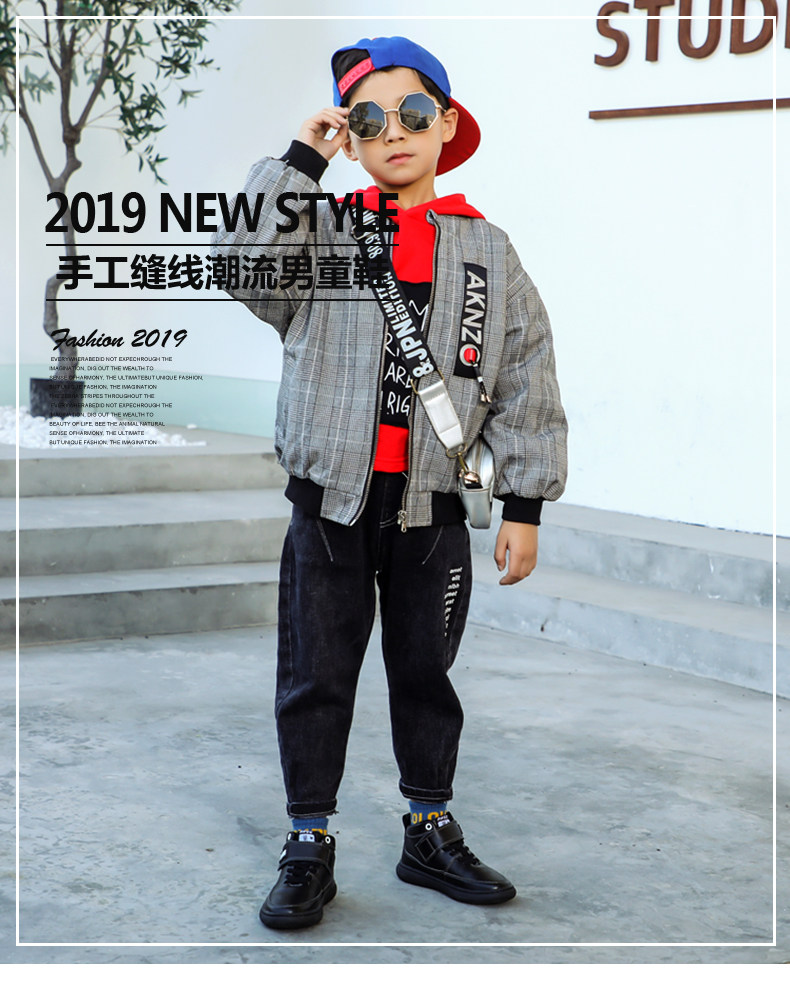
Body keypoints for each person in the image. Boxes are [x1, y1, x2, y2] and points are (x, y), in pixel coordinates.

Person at [210, 35, 568, 930]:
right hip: (330, 505)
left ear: (447, 123)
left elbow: (525, 373)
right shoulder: (320, 232)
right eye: (368, 121)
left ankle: (428, 830)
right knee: (315, 677)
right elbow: (242, 269)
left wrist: (523, 502)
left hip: (432, 508)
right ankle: (308, 840)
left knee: (425, 675)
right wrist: (300, 162)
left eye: (413, 113)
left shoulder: (488, 251)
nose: (393, 132)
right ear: (352, 138)